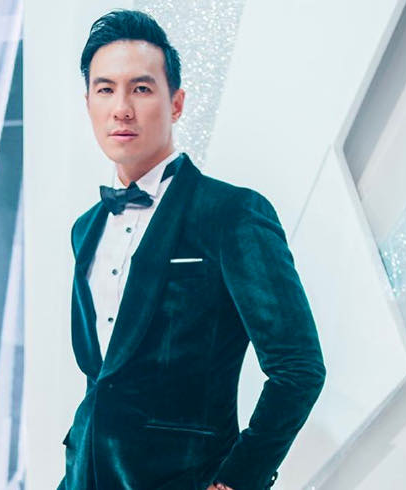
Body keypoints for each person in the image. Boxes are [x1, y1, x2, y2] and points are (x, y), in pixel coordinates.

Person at [58, 9, 326, 490]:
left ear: (176, 103)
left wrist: (237, 479)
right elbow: (103, 379)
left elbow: (298, 369)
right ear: (89, 103)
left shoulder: (232, 213)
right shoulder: (85, 228)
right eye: (106, 90)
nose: (121, 109)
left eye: (141, 89)